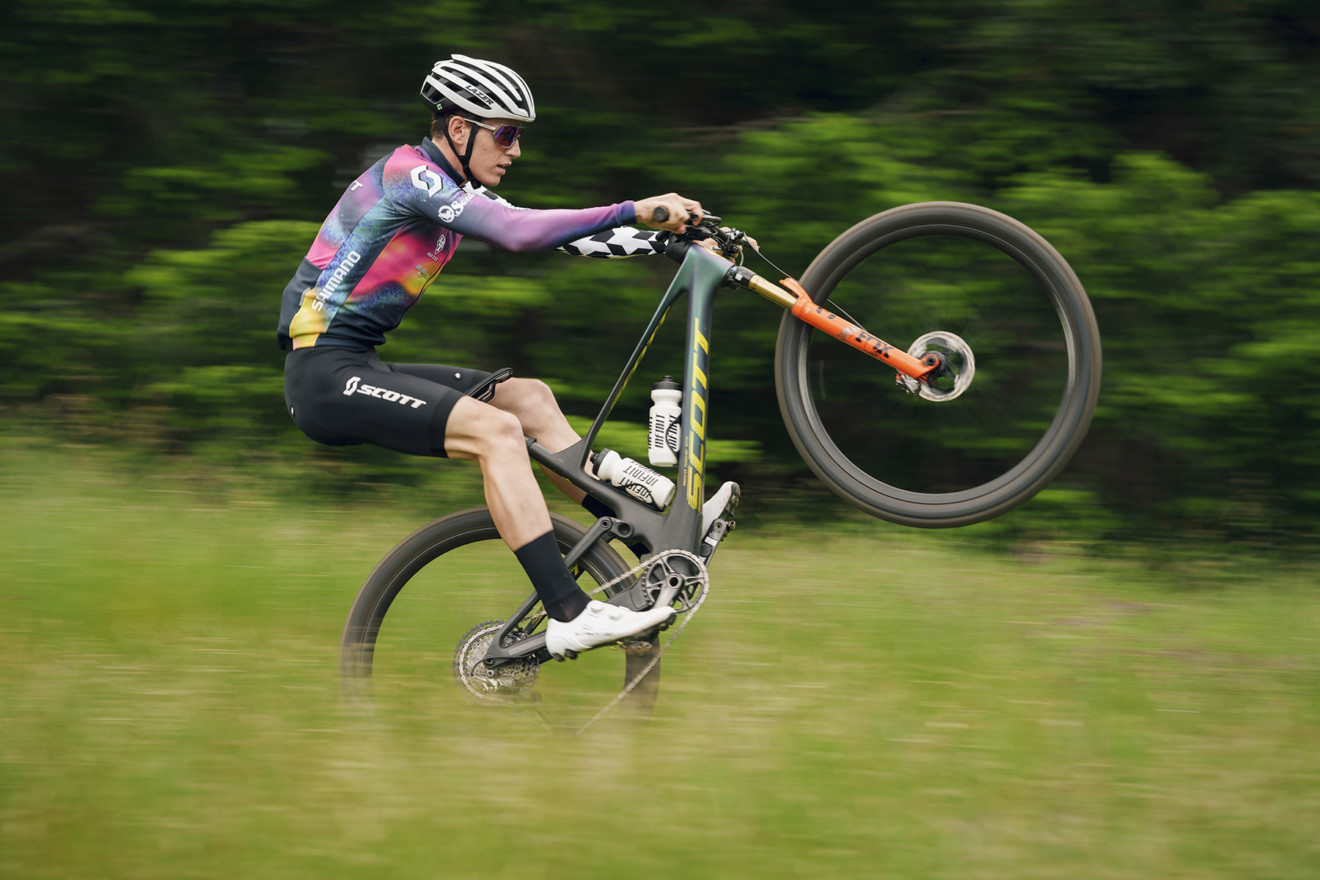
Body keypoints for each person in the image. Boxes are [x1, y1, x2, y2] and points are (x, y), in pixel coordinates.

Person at [278, 53, 709, 660]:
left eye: (518, 137)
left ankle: (646, 541)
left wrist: (671, 239)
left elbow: (566, 237)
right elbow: (518, 234)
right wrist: (634, 208)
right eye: (505, 134)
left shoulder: (451, 190)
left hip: (360, 362)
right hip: (324, 374)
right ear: (459, 128)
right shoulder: (411, 177)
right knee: (498, 432)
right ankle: (569, 613)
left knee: (527, 400)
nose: (515, 150)